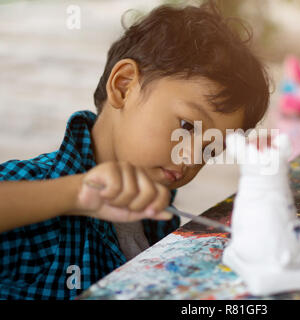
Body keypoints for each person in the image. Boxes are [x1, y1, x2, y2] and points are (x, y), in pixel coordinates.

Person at [0, 1, 270, 299]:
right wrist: (73, 194)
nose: (192, 157)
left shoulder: (159, 213)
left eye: (211, 149)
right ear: (125, 86)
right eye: (187, 126)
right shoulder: (37, 193)